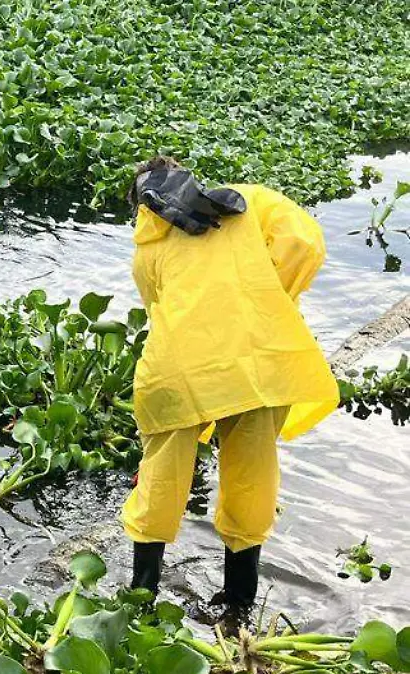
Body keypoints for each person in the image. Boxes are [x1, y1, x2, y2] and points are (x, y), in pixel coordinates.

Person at [121, 156, 339, 630]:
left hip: (179, 372)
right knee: (250, 474)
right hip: (259, 364)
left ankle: (142, 596)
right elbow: (304, 242)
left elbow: (158, 309)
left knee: (160, 476)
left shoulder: (148, 246)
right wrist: (268, 300)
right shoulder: (249, 201)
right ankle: (237, 604)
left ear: (143, 204)